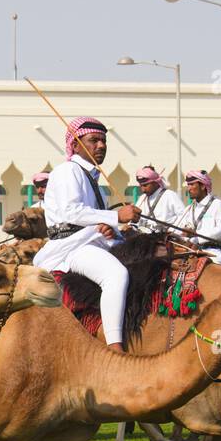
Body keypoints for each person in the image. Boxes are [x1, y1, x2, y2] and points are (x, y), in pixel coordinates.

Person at [32, 116, 140, 350]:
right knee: (116, 275)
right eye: (93, 140)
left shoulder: (93, 180)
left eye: (103, 141)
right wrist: (115, 217)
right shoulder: (67, 171)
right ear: (75, 145)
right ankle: (115, 347)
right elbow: (72, 212)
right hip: (71, 247)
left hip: (90, 241)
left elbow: (90, 218)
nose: (101, 146)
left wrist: (109, 229)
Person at [172, 170, 221, 266]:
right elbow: (178, 230)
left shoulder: (218, 204)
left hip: (214, 253)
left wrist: (197, 235)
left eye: (192, 185)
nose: (188, 188)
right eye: (188, 185)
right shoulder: (188, 209)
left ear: (203, 186)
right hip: (191, 252)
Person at [132, 165, 185, 234]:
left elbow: (183, 217)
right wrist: (131, 225)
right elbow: (136, 220)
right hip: (143, 238)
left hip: (164, 239)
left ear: (155, 183)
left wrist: (172, 231)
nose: (143, 190)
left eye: (145, 185)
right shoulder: (142, 198)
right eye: (141, 186)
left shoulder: (170, 195)